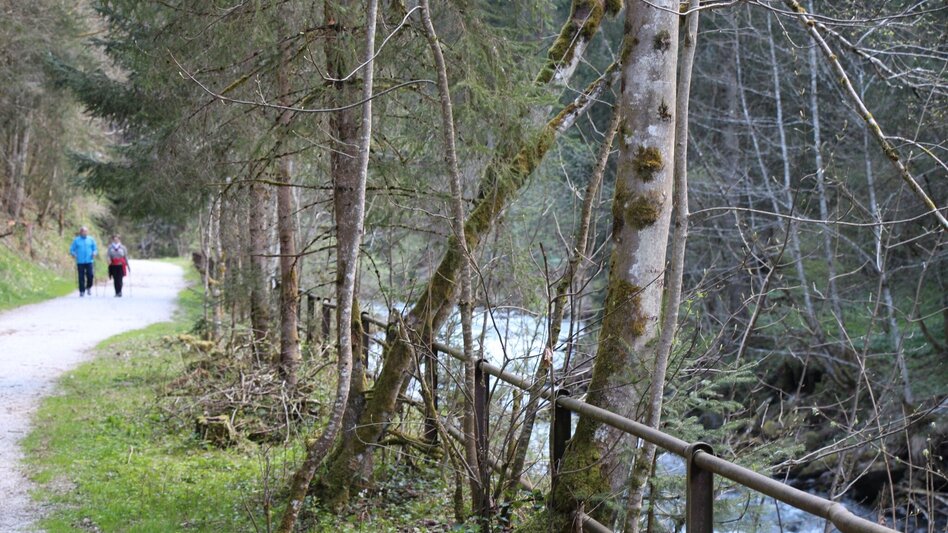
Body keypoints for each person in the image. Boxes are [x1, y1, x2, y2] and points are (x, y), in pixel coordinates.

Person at [69, 226, 97, 297]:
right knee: (81, 276)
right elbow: (72, 249)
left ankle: (89, 287)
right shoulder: (76, 240)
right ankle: (82, 291)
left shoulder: (91, 239)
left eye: (86, 231)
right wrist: (74, 254)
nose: (85, 233)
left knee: (90, 275)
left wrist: (94, 253)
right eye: (83, 231)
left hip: (89, 260)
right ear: (80, 232)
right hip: (80, 261)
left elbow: (95, 248)